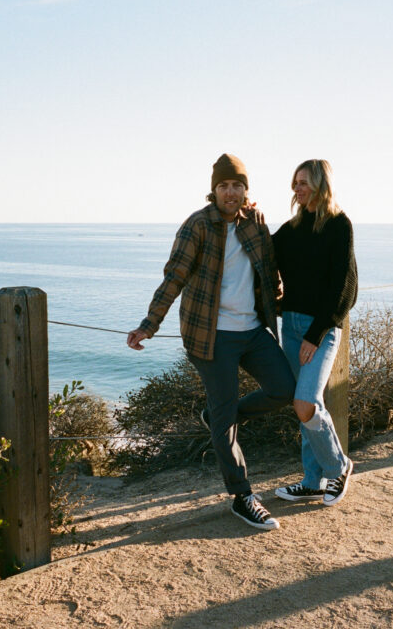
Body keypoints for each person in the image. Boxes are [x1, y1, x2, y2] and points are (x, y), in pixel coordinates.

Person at [127, 153, 296, 531]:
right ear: (213, 190)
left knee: (285, 389)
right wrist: (149, 324)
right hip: (211, 336)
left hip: (253, 331)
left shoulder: (256, 221)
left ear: (246, 190)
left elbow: (270, 271)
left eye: (237, 186)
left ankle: (221, 418)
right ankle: (242, 496)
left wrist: (286, 307)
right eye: (224, 186)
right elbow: (173, 278)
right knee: (223, 419)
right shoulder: (197, 226)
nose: (230, 192)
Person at [271, 159, 358, 507]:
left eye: (303, 182)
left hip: (317, 331)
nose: (297, 189)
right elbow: (264, 249)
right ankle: (312, 481)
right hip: (289, 324)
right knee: (307, 406)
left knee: (305, 402)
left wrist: (316, 333)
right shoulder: (293, 227)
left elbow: (345, 287)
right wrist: (247, 218)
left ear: (321, 184)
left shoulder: (339, 225)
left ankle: (339, 466)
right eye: (295, 183)